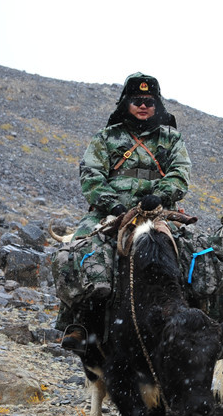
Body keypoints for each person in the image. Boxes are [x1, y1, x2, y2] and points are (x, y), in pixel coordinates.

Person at [60, 72, 192, 352]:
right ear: (125, 102)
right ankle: (79, 322)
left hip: (158, 212)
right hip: (111, 211)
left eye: (149, 100)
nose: (143, 106)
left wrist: (161, 195)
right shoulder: (106, 138)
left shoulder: (171, 138)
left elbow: (181, 173)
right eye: (136, 100)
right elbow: (91, 175)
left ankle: (198, 323)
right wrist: (113, 204)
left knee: (200, 257)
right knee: (80, 249)